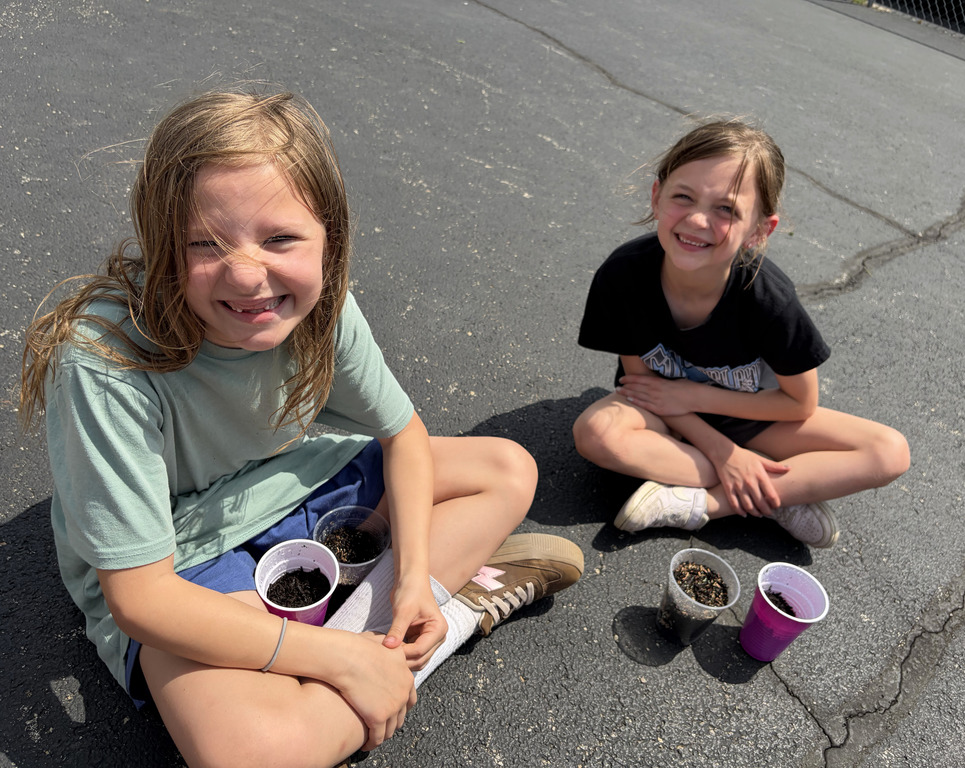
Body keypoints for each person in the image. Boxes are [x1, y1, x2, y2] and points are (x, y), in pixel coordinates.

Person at [20, 89, 584, 768]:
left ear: (330, 239)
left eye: (281, 238)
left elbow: (403, 436)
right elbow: (141, 597)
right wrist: (338, 659)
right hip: (183, 553)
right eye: (206, 243)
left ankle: (406, 625)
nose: (247, 274)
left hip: (302, 478)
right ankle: (452, 612)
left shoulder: (323, 306)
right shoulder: (105, 360)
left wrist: (409, 582)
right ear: (160, 239)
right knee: (249, 755)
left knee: (508, 469)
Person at [572, 118, 910, 548]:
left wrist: (702, 407)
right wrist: (723, 454)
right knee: (596, 433)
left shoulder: (770, 300)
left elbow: (800, 403)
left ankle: (707, 505)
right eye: (683, 197)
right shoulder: (622, 276)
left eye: (726, 209)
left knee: (889, 451)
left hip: (750, 417)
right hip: (662, 417)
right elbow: (643, 387)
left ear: (759, 230)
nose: (697, 219)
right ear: (657, 197)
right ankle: (777, 491)